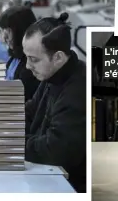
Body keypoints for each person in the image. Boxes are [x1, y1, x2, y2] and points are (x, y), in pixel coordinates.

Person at [22, 12, 86, 193]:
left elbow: (55, 149)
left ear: (57, 57)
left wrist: (9, 142)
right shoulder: (53, 76)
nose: (27, 66)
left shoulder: (79, 90)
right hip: (47, 176)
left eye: (34, 59)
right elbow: (30, 112)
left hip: (71, 187)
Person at [0, 5, 40, 101]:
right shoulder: (14, 58)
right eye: (2, 31)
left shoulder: (31, 65)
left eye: (8, 32)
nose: (4, 38)